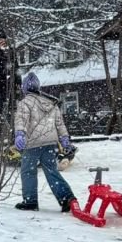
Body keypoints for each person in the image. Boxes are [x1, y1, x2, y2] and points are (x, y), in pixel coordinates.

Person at [13, 71, 76, 212]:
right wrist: (64, 139)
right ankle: (67, 198)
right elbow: (60, 124)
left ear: (24, 88)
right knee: (52, 171)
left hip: (32, 144)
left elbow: (21, 120)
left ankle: (30, 201)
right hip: (50, 143)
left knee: (28, 172)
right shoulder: (51, 103)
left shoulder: (25, 103)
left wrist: (20, 134)